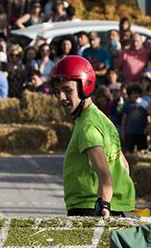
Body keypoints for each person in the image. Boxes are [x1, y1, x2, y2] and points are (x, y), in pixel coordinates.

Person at [50, 55, 135, 217]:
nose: (61, 98)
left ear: (85, 88)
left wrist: (103, 205)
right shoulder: (101, 119)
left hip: (89, 207)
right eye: (57, 92)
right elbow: (124, 166)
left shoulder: (87, 127)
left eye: (68, 90)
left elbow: (104, 174)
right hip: (108, 205)